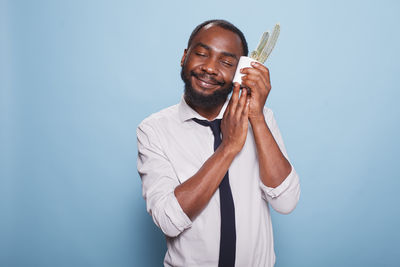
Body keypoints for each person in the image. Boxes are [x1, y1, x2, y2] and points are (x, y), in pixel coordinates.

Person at [137, 19, 300, 267]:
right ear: (184, 57)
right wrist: (229, 147)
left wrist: (256, 116)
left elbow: (286, 202)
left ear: (239, 72)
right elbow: (169, 221)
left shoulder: (262, 119)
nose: (210, 68)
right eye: (202, 54)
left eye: (226, 62)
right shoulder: (154, 130)